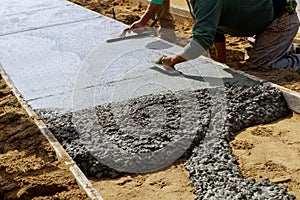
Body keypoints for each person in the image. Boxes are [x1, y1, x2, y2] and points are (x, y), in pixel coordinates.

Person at [127, 0, 300, 74]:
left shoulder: (205, 1)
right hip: (262, 23)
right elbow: (214, 27)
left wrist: (172, 60)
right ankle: (287, 47)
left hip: (280, 20)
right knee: (254, 53)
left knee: (261, 65)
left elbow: (201, 41)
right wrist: (222, 61)